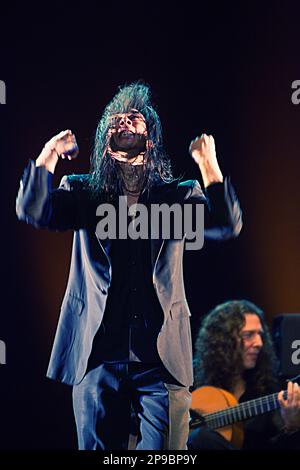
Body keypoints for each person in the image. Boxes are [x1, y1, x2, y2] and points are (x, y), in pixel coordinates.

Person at [16, 82, 242, 450]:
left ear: (150, 138)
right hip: (97, 353)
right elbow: (32, 209)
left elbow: (225, 223)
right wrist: (50, 154)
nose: (123, 122)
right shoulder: (84, 192)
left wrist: (208, 164)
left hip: (161, 357)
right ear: (106, 142)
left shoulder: (176, 195)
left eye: (133, 119)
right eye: (116, 120)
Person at [189, 300, 300, 450]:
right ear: (223, 340)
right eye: (248, 335)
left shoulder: (272, 389)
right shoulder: (191, 384)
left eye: (260, 335)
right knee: (200, 437)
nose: (259, 343)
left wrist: (292, 426)